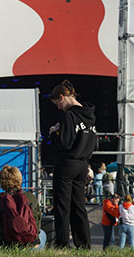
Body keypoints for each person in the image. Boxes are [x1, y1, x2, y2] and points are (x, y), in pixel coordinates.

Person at [49, 80, 96, 249]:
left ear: (62, 98)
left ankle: (61, 244)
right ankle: (84, 244)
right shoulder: (90, 115)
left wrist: (54, 134)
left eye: (57, 104)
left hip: (66, 163)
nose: (59, 108)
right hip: (82, 163)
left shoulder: (68, 115)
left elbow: (65, 143)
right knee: (79, 207)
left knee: (62, 207)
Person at [0, 165, 46, 249]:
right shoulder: (31, 197)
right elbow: (37, 228)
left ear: (1, 181)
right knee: (43, 233)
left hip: (7, 245)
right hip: (31, 245)